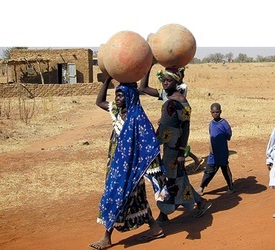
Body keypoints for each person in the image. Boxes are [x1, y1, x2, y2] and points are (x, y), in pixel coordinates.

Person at [89, 76, 166, 250]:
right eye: (117, 95)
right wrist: (107, 80)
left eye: (121, 96)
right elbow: (99, 101)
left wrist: (151, 171)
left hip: (133, 168)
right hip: (115, 164)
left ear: (130, 96)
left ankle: (107, 237)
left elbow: (150, 144)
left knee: (118, 195)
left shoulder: (138, 117)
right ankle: (155, 227)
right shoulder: (115, 111)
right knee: (134, 198)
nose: (117, 99)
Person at [139, 66, 212, 224]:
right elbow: (142, 88)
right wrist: (148, 65)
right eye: (163, 80)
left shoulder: (181, 100)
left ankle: (164, 214)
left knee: (170, 179)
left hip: (175, 146)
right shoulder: (166, 95)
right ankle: (199, 202)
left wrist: (181, 152)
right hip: (167, 144)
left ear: (177, 81)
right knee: (176, 177)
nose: (165, 83)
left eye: (169, 80)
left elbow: (185, 128)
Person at [196, 102, 235, 196]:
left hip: (222, 151)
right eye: (213, 112)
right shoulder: (211, 124)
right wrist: (211, 146)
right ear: (211, 112)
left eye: (217, 112)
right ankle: (201, 187)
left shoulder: (224, 123)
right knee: (209, 170)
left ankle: (231, 187)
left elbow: (228, 135)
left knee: (225, 169)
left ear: (220, 112)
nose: (215, 114)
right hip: (213, 152)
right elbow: (211, 136)